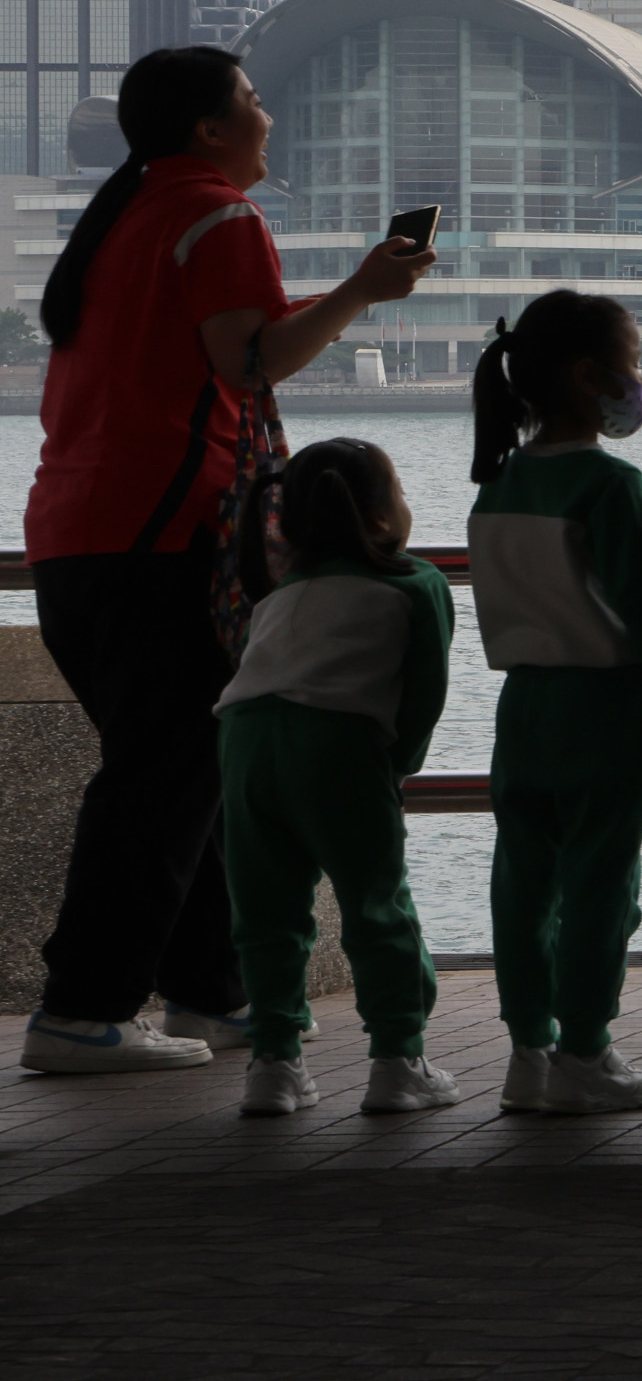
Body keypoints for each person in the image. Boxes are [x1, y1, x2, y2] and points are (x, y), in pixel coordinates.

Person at [21, 46, 430, 1077]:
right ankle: (83, 1008)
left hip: (76, 534)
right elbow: (251, 358)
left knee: (184, 771)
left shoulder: (126, 214)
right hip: (163, 536)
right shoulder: (218, 215)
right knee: (160, 783)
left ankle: (214, 991)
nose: (267, 117)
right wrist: (364, 292)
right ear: (208, 129)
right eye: (252, 101)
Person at [467, 289, 642, 1115]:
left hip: (520, 709)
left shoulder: (499, 485)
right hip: (599, 709)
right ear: (589, 374)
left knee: (522, 887)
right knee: (602, 884)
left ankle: (529, 1051)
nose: (640, 379)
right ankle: (586, 1052)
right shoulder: (607, 481)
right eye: (634, 361)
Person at [211, 439, 455, 1117]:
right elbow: (422, 695)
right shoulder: (415, 581)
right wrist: (394, 768)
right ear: (382, 514)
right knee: (376, 906)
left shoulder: (282, 592)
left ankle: (273, 1066)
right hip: (339, 743)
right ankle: (398, 1061)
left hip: (244, 740)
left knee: (266, 913)